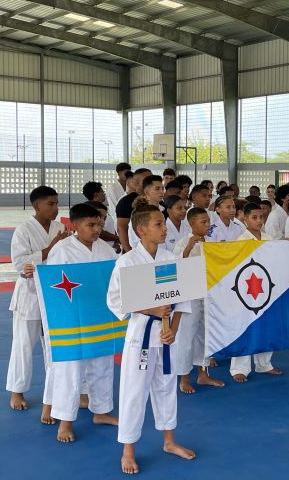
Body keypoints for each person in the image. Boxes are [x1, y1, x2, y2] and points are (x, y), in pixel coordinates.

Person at [107, 198, 195, 474]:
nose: (165, 228)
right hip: (141, 339)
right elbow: (115, 301)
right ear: (141, 230)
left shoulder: (170, 259)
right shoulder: (127, 262)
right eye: (159, 224)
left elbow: (182, 298)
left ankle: (169, 441)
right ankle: (128, 450)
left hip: (167, 338)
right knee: (134, 392)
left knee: (166, 388)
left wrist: (174, 329)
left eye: (163, 223)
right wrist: (150, 309)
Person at [44, 203, 118, 443]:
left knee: (103, 364)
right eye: (90, 225)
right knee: (71, 369)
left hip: (100, 316)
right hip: (72, 319)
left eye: (99, 224)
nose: (96, 229)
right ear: (75, 225)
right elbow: (53, 286)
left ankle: (101, 411)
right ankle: (65, 421)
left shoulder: (106, 250)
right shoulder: (62, 250)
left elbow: (116, 280)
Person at [6, 186, 71, 420]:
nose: (56, 208)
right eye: (51, 204)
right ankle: (17, 391)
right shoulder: (23, 230)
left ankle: (53, 394)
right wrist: (51, 247)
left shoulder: (60, 228)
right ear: (37, 206)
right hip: (30, 295)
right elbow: (19, 263)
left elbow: (65, 258)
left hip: (55, 293)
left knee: (53, 347)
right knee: (23, 344)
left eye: (57, 203)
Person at [172, 207, 225, 394]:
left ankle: (203, 373)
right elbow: (176, 266)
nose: (207, 225)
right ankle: (184, 378)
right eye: (203, 222)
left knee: (205, 334)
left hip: (208, 294)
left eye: (208, 221)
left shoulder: (211, 241)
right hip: (189, 295)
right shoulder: (183, 242)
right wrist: (189, 247)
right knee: (186, 337)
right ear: (191, 224)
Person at [230, 203, 283, 382]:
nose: (259, 221)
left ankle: (264, 364)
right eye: (254, 217)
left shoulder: (268, 239)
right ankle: (239, 368)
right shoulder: (240, 241)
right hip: (246, 288)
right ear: (245, 219)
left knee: (266, 324)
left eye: (261, 217)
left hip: (266, 286)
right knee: (244, 328)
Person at [115, 168, 152, 252]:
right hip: (134, 250)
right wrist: (129, 251)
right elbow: (122, 228)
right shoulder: (126, 202)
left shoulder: (157, 199)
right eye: (147, 179)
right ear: (137, 183)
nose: (150, 182)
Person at [127, 175, 164, 251]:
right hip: (144, 253)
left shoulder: (163, 209)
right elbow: (134, 240)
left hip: (162, 252)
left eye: (163, 189)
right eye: (157, 189)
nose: (161, 192)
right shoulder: (140, 212)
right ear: (146, 192)